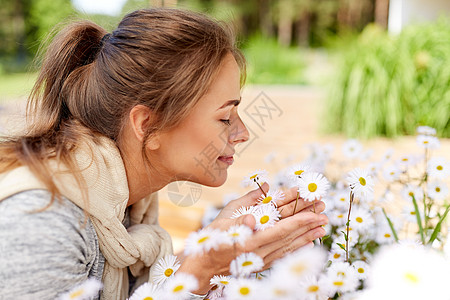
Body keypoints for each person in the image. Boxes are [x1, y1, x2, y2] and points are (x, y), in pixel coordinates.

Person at [0, 8, 328, 300]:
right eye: (225, 117)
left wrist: (207, 254)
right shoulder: (44, 225)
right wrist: (195, 274)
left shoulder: (124, 209)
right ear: (148, 124)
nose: (242, 134)